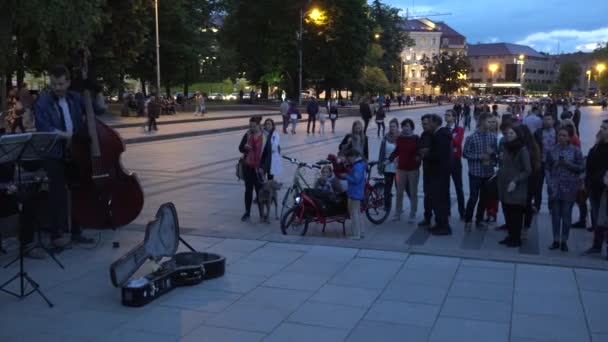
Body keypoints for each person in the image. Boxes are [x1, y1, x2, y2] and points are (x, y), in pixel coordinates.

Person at [34, 64, 96, 247]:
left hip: (75, 151)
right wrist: (66, 136)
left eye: (60, 84)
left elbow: (97, 109)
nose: (57, 88)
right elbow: (43, 128)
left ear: (68, 82)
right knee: (57, 194)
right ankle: (57, 235)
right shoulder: (43, 102)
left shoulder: (75, 98)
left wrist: (89, 84)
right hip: (54, 153)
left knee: (78, 191)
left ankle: (77, 231)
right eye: (53, 84)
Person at [546, 127, 585, 252]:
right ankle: (556, 239)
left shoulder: (576, 151)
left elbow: (581, 167)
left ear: (569, 137)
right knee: (555, 215)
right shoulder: (552, 150)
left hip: (569, 187)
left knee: (566, 215)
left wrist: (568, 164)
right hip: (555, 187)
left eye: (564, 135)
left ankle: (564, 240)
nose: (561, 137)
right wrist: (549, 181)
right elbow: (547, 167)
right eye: (560, 135)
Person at [497, 125, 531, 247]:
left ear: (517, 134)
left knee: (515, 213)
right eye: (507, 133)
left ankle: (516, 239)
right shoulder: (505, 147)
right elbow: (504, 164)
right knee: (507, 212)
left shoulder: (522, 150)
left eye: (511, 133)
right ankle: (511, 236)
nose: (508, 135)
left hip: (516, 186)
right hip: (504, 185)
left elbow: (527, 170)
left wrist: (515, 180)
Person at [463, 113, 498, 231]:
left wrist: (493, 154)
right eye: (489, 122)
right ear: (482, 122)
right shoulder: (472, 137)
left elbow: (495, 155)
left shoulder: (493, 137)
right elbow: (465, 154)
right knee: (473, 197)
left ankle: (479, 219)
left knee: (484, 198)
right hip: (475, 173)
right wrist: (479, 156)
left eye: (492, 122)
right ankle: (468, 220)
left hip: (488, 172)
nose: (492, 124)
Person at [423, 114, 453, 235]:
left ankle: (444, 226)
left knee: (440, 200)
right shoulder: (439, 134)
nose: (428, 125)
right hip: (439, 172)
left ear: (435, 123)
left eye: (430, 122)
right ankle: (439, 223)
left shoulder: (441, 135)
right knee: (438, 199)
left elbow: (439, 155)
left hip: (439, 173)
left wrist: (426, 154)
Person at [583, 121, 608, 256]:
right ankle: (597, 245)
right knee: (597, 216)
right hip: (594, 187)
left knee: (604, 217)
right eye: (601, 127)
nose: (601, 130)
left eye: (604, 128)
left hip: (604, 189)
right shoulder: (597, 146)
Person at [389, 118, 420, 222]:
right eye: (404, 126)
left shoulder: (416, 138)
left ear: (411, 127)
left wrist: (417, 160)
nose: (405, 128)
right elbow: (397, 150)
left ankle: (413, 213)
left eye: (407, 126)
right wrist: (390, 158)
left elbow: (419, 152)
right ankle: (398, 212)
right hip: (401, 169)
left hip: (413, 169)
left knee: (413, 191)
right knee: (399, 192)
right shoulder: (400, 138)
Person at [238, 116, 269, 221]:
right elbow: (240, 148)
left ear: (258, 125)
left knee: (260, 191)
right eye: (250, 126)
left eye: (253, 126)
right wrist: (244, 148)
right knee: (248, 190)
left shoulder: (264, 136)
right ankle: (247, 212)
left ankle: (261, 214)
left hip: (259, 168)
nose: (251, 128)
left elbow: (267, 155)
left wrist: (263, 168)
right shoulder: (247, 135)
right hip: (248, 166)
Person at [533, 113, 558, 212]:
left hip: (553, 164)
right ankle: (537, 206)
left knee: (551, 186)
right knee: (537, 186)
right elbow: (533, 147)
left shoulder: (558, 132)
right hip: (541, 163)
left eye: (549, 119)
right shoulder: (538, 132)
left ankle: (551, 206)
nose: (547, 121)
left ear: (553, 121)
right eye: (545, 119)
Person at [340, 149, 366, 240]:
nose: (349, 161)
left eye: (349, 159)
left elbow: (356, 180)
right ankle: (361, 232)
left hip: (355, 193)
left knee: (354, 214)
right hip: (357, 192)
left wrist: (346, 176)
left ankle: (356, 234)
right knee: (358, 213)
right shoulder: (360, 164)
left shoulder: (357, 166)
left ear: (353, 157)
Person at [445, 110, 465, 220]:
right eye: (446, 115)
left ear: (454, 117)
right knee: (445, 187)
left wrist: (449, 135)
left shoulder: (459, 129)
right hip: (445, 161)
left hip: (455, 160)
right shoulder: (443, 129)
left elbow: (457, 142)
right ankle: (447, 210)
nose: (446, 117)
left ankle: (462, 211)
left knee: (459, 187)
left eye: (448, 115)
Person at [378, 118, 399, 212]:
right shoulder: (385, 138)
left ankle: (399, 206)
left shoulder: (401, 138)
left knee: (399, 188)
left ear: (397, 127)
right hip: (387, 167)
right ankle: (387, 206)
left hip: (398, 168)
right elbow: (381, 152)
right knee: (387, 188)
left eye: (393, 126)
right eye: (390, 126)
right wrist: (380, 164)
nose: (392, 128)